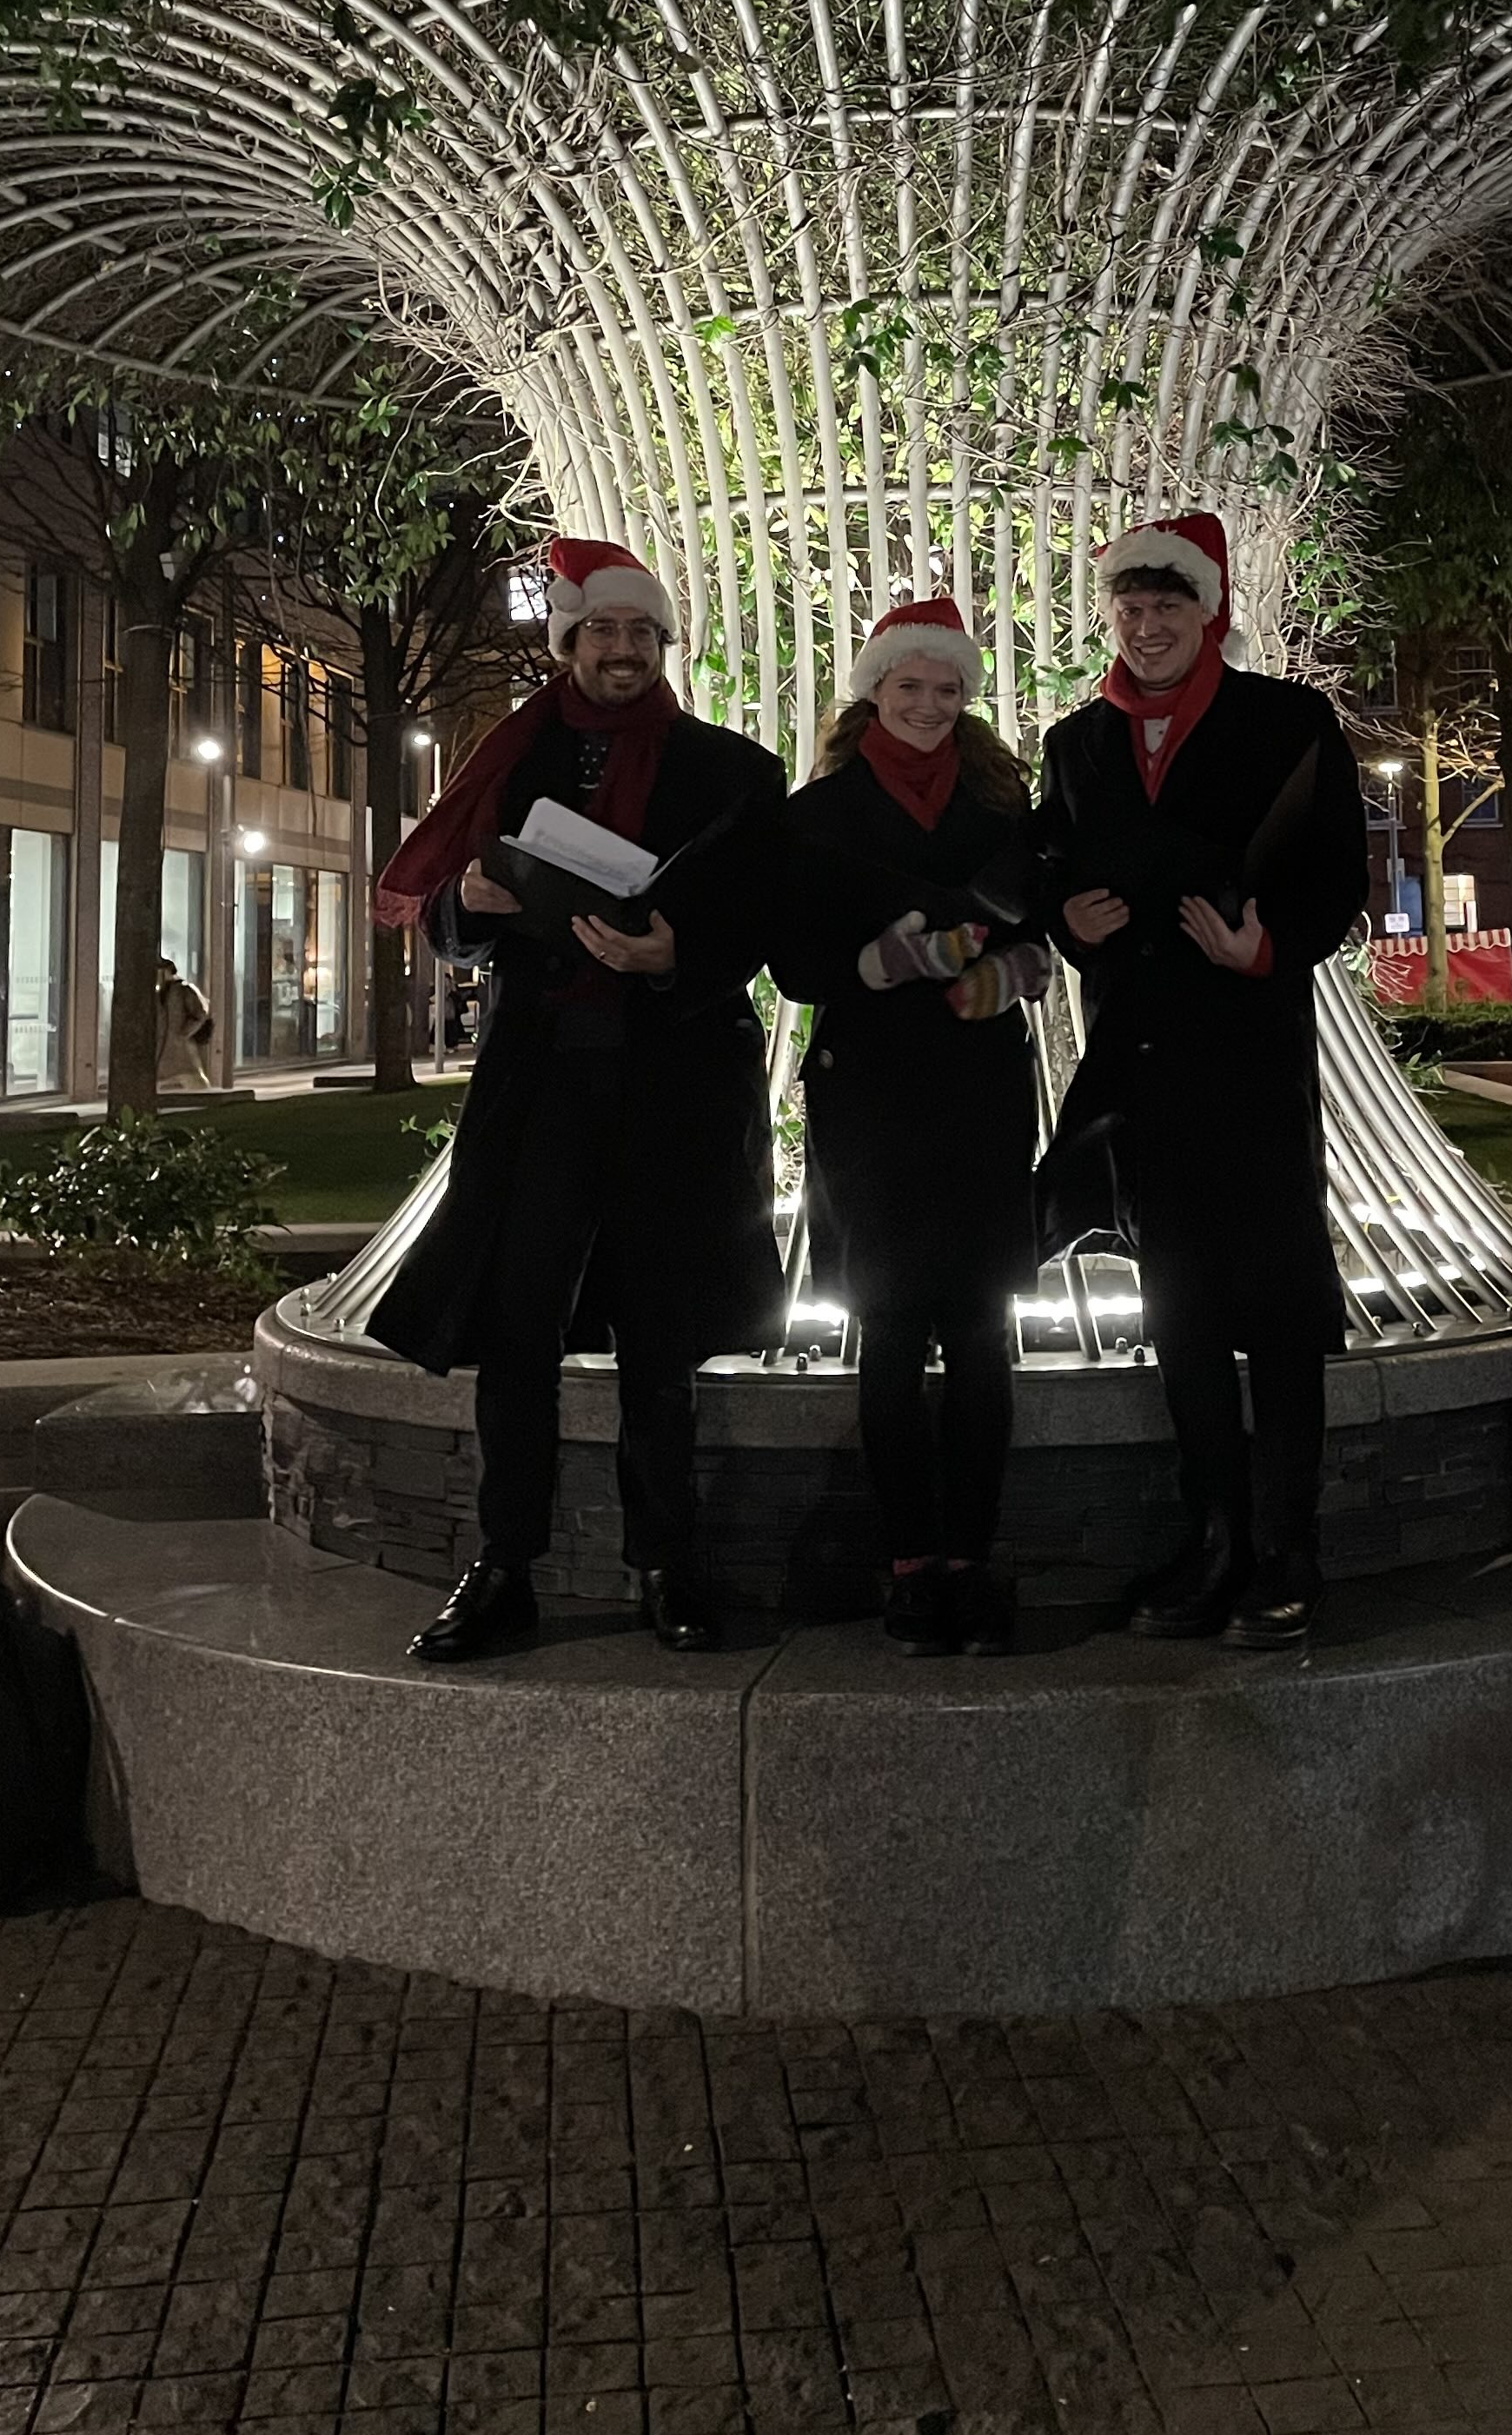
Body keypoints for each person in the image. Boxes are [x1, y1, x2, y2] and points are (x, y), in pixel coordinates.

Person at [366, 536, 786, 1662]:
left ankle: (670, 1564)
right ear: (567, 642)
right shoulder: (511, 758)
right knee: (518, 1332)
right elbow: (458, 926)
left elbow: (758, 921)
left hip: (667, 1089)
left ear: (662, 645)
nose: (621, 649)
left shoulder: (732, 769)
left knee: (661, 1334)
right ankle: (506, 1567)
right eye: (601, 630)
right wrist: (465, 898)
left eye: (641, 633)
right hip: (541, 1084)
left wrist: (676, 957)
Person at [1035, 512, 1369, 1649]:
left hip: (1252, 1062)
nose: (1148, 624)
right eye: (1130, 607)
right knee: (1179, 1319)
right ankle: (1216, 1539)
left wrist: (1262, 948)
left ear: (1209, 608)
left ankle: (1289, 1553)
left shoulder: (1288, 720)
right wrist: (1070, 925)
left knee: (1276, 1317)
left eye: (1169, 603)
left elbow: (1335, 874)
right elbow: (1057, 876)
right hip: (1142, 1068)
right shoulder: (1076, 743)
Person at [772, 599, 1051, 1658]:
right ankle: (908, 1568)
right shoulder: (817, 813)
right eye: (909, 686)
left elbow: (1044, 929)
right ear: (872, 690)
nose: (929, 705)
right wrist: (888, 964)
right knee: (887, 1334)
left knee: (983, 1335)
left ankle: (970, 1563)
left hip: (979, 1091)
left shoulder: (1002, 806)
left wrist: (1013, 973)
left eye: (947, 689)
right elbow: (794, 964)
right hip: (872, 1097)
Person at [154, 959, 215, 1089]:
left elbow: (200, 1013)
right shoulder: (158, 994)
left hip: (181, 1048)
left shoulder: (184, 990)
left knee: (191, 1076)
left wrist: (185, 1032)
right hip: (163, 1048)